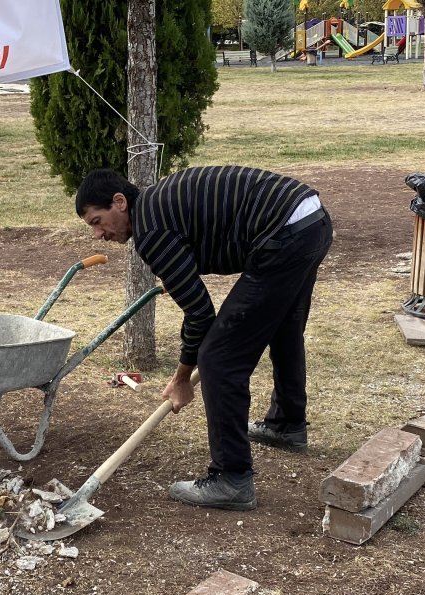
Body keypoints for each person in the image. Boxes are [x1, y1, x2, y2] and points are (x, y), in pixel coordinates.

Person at [75, 166, 333, 511]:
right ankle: (286, 425)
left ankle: (231, 478)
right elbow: (204, 237)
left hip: (283, 234)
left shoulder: (151, 230)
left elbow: (200, 315)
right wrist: (177, 272)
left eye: (97, 220)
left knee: (218, 358)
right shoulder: (157, 205)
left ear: (119, 202)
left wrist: (182, 378)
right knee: (283, 327)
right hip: (310, 219)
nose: (97, 234)